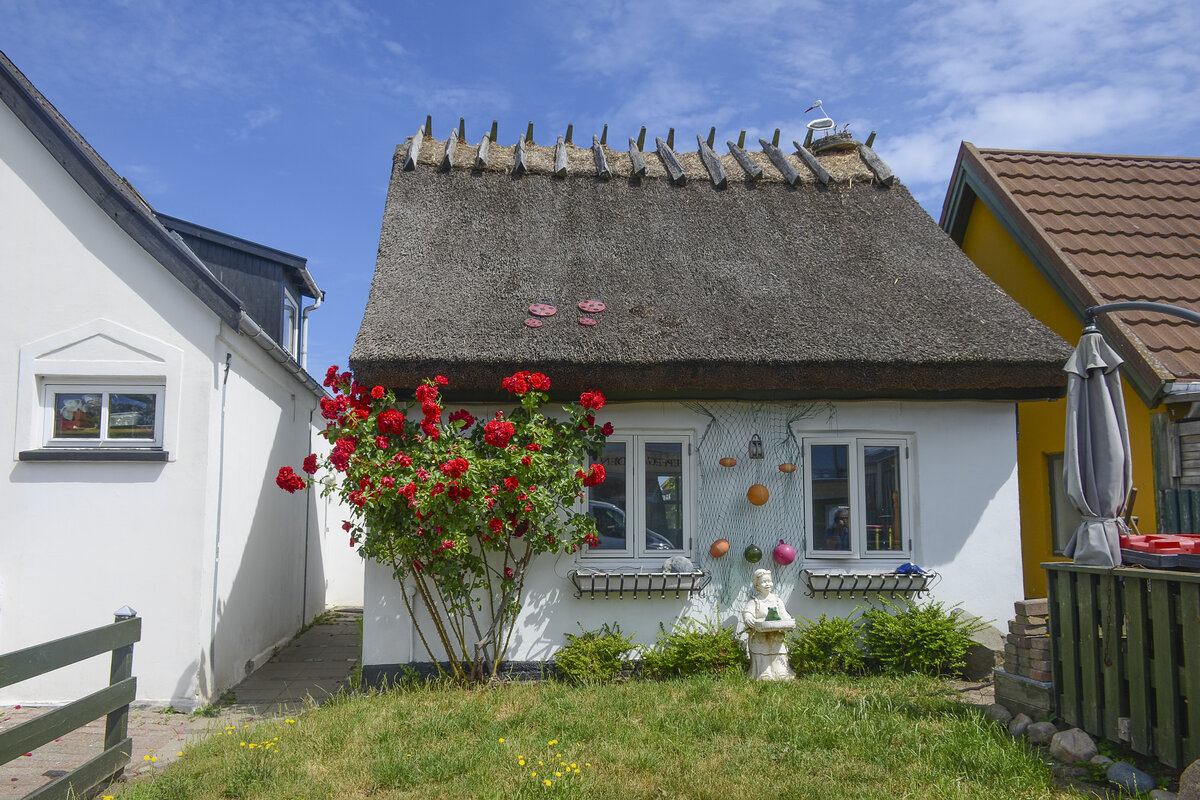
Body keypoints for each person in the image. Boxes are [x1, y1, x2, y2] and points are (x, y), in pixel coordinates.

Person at [741, 568, 796, 681]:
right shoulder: (755, 601)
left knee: (779, 654)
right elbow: (747, 612)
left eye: (769, 581)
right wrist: (748, 618)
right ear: (757, 585)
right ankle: (764, 673)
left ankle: (780, 672)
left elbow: (783, 613)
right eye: (763, 582)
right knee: (762, 654)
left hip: (776, 636)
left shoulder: (776, 600)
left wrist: (787, 620)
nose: (767, 584)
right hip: (760, 636)